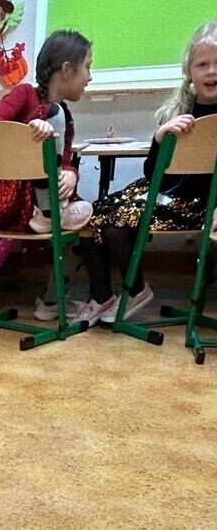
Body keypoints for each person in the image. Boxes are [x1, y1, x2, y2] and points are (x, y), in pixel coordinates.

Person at [82, 19, 217, 325]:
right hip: (162, 194)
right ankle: (102, 297)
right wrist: (159, 137)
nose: (211, 71)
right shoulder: (177, 112)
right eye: (203, 64)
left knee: (117, 222)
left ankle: (137, 290)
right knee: (91, 214)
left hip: (198, 206)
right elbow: (153, 172)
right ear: (189, 71)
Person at [0, 30, 94, 322]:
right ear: (66, 70)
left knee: (87, 223)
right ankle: (49, 211)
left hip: (36, 206)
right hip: (9, 201)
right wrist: (29, 128)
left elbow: (64, 160)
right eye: (87, 67)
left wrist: (70, 174)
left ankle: (52, 300)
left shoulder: (64, 117)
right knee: (53, 114)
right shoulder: (25, 94)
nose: (90, 77)